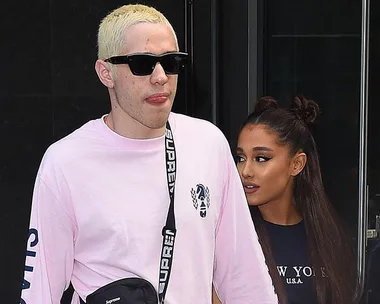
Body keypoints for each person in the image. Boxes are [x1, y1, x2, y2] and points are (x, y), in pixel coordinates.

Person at [20, 4, 278, 304]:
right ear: (106, 73)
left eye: (171, 63)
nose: (160, 77)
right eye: (142, 64)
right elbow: (40, 290)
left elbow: (244, 277)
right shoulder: (65, 162)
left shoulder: (208, 144)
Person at [234, 96, 359, 304]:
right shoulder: (232, 236)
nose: (245, 171)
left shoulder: (328, 237)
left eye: (261, 158)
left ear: (297, 164)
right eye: (240, 158)